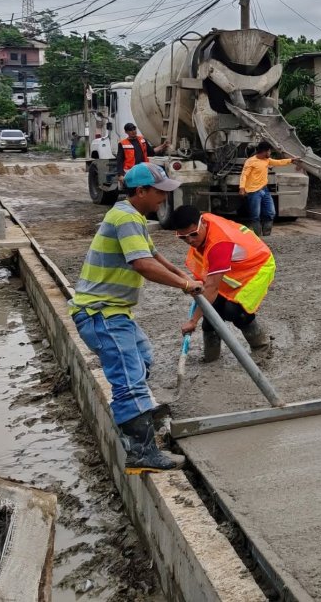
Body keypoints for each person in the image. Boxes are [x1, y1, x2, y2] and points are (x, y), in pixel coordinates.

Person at [69, 163, 203, 474]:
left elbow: (154, 255)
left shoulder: (133, 216)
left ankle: (135, 417)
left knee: (142, 358)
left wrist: (183, 275)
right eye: (159, 192)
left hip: (113, 312)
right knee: (129, 380)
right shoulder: (126, 217)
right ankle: (140, 452)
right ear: (141, 191)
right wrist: (184, 285)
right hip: (101, 313)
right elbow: (142, 264)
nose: (163, 199)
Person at [173, 204, 277, 362]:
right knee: (212, 310)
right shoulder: (203, 224)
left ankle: (262, 347)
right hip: (234, 268)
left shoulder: (219, 243)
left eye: (193, 234)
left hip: (258, 266)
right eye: (183, 237)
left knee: (235, 311)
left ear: (203, 223)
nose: (189, 241)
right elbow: (209, 286)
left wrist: (193, 321)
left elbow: (212, 287)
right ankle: (211, 357)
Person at [239, 141, 301, 236]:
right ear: (264, 151)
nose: (270, 153)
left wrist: (291, 160)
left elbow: (278, 162)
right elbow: (244, 175)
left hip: (265, 190)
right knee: (255, 216)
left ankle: (267, 235)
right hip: (253, 192)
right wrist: (242, 188)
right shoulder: (250, 161)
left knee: (271, 212)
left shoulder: (266, 160)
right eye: (269, 151)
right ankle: (258, 237)